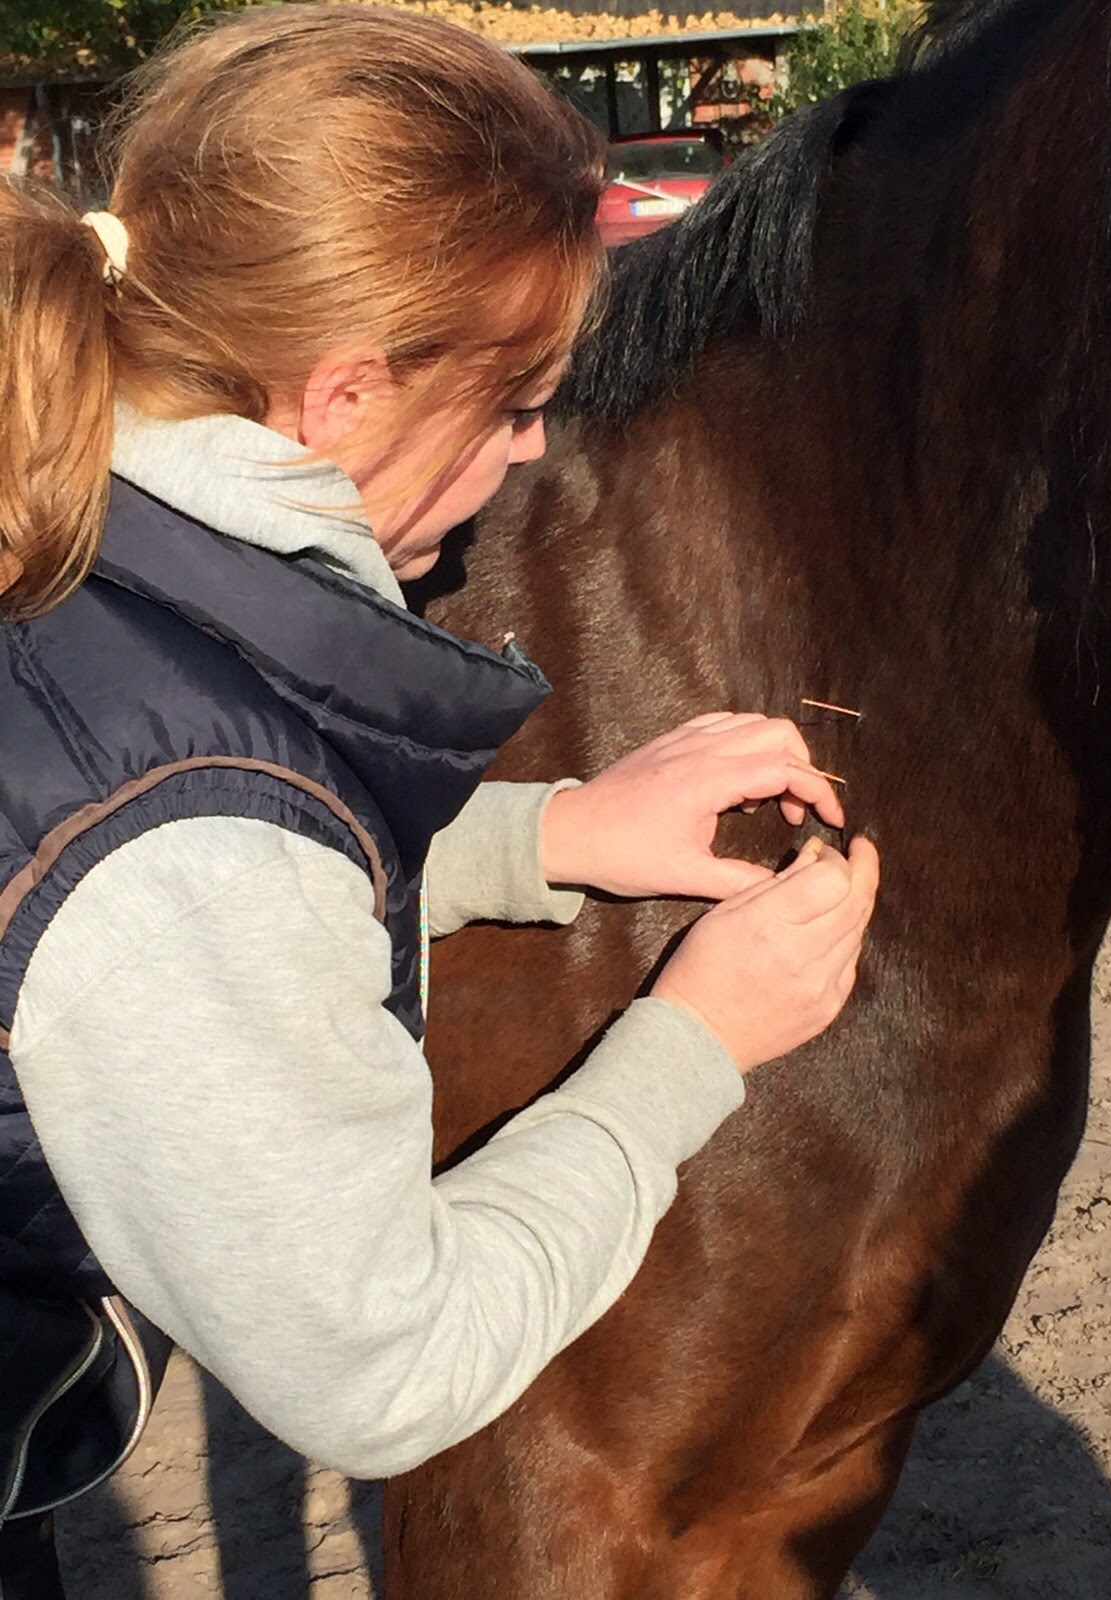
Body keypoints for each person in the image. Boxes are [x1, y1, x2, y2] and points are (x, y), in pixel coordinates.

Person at [0, 2, 879, 1584]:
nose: (531, 455)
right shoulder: (186, 842)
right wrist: (698, 1039)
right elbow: (383, 1366)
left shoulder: (80, 523)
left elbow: (114, 814)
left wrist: (543, 833)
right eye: (519, 401)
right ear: (343, 398)